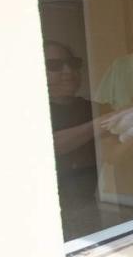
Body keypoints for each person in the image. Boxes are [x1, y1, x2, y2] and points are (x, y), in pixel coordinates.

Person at [43, 40, 103, 239]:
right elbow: (49, 146)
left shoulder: (93, 109)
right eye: (55, 66)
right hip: (47, 215)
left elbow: (115, 156)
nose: (68, 71)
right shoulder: (30, 111)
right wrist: (100, 124)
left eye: (73, 63)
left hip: (89, 209)